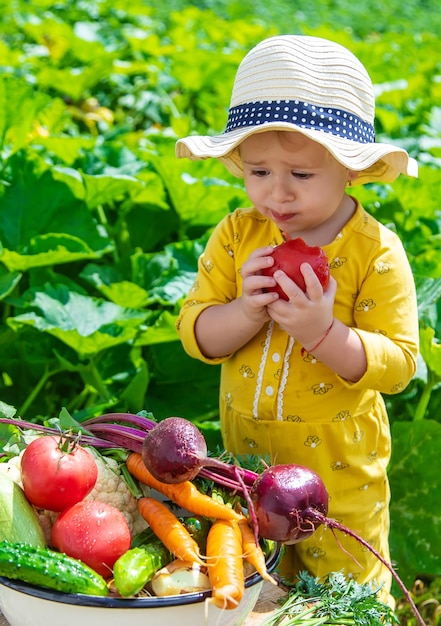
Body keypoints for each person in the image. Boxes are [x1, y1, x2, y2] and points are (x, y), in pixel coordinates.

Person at [174, 34, 419, 602]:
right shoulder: (239, 236)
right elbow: (196, 331)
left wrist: (321, 331)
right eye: (257, 172)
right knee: (258, 580)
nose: (277, 194)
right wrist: (246, 310)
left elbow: (400, 364)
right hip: (244, 465)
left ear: (350, 171)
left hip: (339, 477)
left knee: (343, 591)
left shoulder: (375, 252)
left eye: (302, 176)